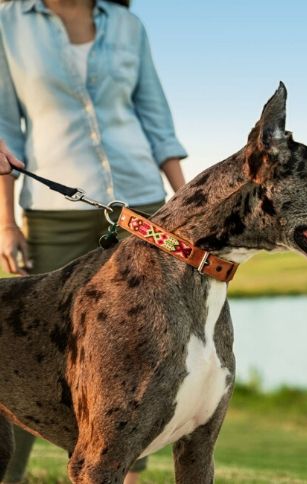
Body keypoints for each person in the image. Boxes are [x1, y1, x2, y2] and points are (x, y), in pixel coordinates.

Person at [0, 0, 187, 482]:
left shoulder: (126, 24)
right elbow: (4, 132)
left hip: (142, 208)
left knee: (140, 358)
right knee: (23, 356)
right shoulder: (8, 22)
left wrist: (185, 202)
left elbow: (155, 116)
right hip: (54, 211)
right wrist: (6, 223)